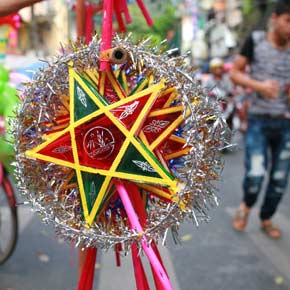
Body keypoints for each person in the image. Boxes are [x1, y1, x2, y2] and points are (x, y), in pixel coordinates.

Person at [230, 0, 290, 239]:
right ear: (274, 18)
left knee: (279, 178)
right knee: (255, 174)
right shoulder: (255, 41)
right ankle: (245, 206)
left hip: (286, 123)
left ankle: (266, 218)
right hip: (258, 120)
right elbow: (234, 73)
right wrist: (260, 86)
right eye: (288, 21)